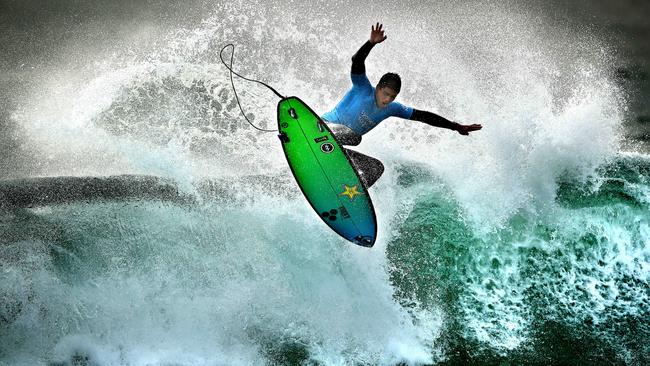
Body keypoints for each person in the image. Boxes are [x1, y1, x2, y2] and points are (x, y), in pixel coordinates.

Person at [322, 23, 482, 187]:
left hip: (334, 147)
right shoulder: (362, 87)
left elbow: (423, 116)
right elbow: (357, 61)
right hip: (322, 128)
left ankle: (345, 193)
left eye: (392, 97)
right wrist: (371, 43)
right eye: (385, 94)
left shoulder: (392, 108)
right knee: (354, 137)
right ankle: (323, 143)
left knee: (374, 169)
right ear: (378, 88)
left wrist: (455, 126)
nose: (387, 100)